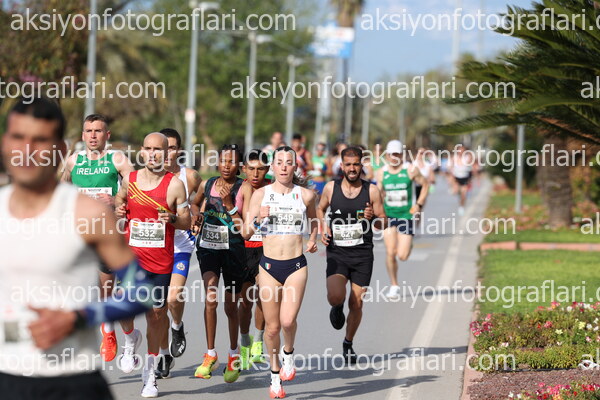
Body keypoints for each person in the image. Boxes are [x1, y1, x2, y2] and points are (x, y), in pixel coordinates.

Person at [0, 98, 154, 399]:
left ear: (58, 149)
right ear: (5, 143)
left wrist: (79, 318)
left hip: (74, 381)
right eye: (18, 138)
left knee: (107, 287)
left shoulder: (90, 214)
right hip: (9, 377)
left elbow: (143, 292)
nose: (27, 150)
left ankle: (117, 336)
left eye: (40, 140)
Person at [114, 132, 191, 397]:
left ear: (166, 153)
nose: (152, 154)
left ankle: (149, 376)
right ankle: (130, 338)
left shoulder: (174, 185)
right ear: (142, 151)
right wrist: (119, 209)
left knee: (156, 315)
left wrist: (172, 218)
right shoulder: (131, 180)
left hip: (160, 261)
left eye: (158, 149)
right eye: (147, 148)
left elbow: (187, 222)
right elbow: (120, 199)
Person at [243, 146, 318, 399]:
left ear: (295, 166)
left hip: (296, 265)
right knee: (272, 328)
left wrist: (313, 239)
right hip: (268, 268)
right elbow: (246, 233)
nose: (284, 166)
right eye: (280, 162)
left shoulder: (305, 195)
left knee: (287, 321)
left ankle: (289, 353)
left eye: (289, 162)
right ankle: (275, 376)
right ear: (273, 167)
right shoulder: (260, 195)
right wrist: (257, 219)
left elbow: (314, 220)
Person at [61, 113, 134, 363]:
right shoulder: (73, 161)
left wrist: (116, 200)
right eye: (89, 131)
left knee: (108, 290)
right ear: (83, 135)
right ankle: (106, 333)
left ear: (107, 135)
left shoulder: (117, 159)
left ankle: (119, 333)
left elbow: (138, 188)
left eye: (98, 131)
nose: (93, 136)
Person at [317, 146, 386, 363]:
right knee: (335, 296)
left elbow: (384, 221)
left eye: (356, 164)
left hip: (362, 255)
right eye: (348, 164)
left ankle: (348, 343)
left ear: (361, 164)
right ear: (342, 166)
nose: (352, 168)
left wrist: (374, 218)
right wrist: (323, 227)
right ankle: (337, 308)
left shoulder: (371, 191)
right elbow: (319, 209)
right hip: (337, 253)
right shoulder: (331, 188)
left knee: (356, 303)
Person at [190, 144, 252, 383]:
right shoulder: (208, 184)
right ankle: (210, 354)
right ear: (217, 162)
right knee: (210, 298)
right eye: (223, 160)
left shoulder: (244, 187)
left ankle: (234, 353)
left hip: (234, 250)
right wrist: (196, 214)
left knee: (230, 306)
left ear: (239, 165)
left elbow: (246, 223)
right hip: (208, 247)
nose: (227, 165)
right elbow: (195, 203)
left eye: (232, 161)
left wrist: (229, 204)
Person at [153, 128, 202, 379]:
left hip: (181, 244)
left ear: (178, 150)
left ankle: (177, 326)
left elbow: (203, 197)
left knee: (173, 298)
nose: (166, 153)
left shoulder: (189, 176)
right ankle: (164, 355)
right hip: (154, 246)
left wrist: (198, 215)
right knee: (157, 308)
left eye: (171, 148)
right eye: (162, 148)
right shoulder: (145, 178)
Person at [376, 140, 429, 299]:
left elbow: (425, 185)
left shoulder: (410, 170)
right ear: (387, 155)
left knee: (402, 256)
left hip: (406, 216)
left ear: (402, 155)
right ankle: (394, 285)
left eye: (397, 154)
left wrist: (419, 204)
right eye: (391, 154)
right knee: (390, 252)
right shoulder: (381, 172)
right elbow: (378, 193)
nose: (394, 157)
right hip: (389, 216)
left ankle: (408, 243)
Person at [238, 149, 270, 370]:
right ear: (244, 169)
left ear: (267, 169)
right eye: (251, 169)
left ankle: (258, 343)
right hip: (242, 249)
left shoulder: (273, 189)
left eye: (260, 169)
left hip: (266, 249)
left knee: (263, 296)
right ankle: (244, 344)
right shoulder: (239, 189)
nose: (255, 174)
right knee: (245, 301)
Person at [449, 144, 473, 216]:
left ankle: (461, 206)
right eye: (459, 149)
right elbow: (451, 168)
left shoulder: (467, 157)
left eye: (462, 149)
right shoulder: (454, 158)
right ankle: (459, 194)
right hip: (456, 177)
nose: (461, 151)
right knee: (456, 191)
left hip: (464, 177)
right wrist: (451, 179)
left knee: (463, 194)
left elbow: (471, 165)